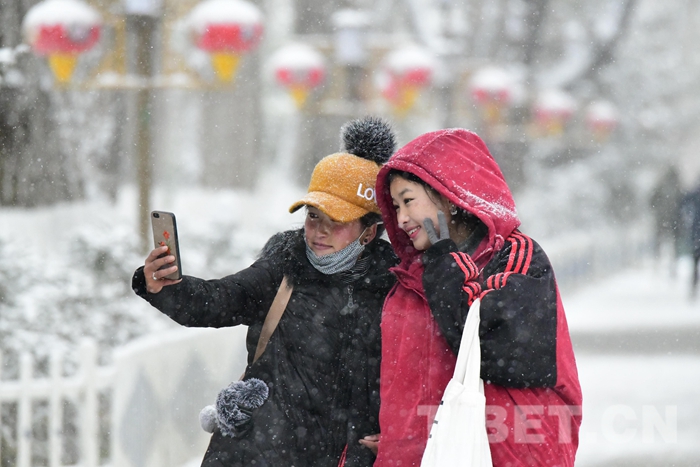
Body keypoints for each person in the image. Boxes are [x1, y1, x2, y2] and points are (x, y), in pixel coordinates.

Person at [131, 117, 398, 466]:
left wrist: (396, 434)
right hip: (258, 450)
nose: (320, 230)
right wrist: (165, 286)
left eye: (338, 220)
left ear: (369, 230)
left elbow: (412, 376)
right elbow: (220, 300)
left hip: (344, 456)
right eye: (314, 216)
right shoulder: (284, 267)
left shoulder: (394, 290)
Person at [369, 128, 583, 466]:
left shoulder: (518, 257)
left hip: (509, 453)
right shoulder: (410, 278)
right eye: (394, 207)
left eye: (408, 201)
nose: (401, 218)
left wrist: (444, 259)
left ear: (448, 194)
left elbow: (484, 340)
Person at [649, 166, 683, 268]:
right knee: (671, 243)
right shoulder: (677, 188)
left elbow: (652, 201)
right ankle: (667, 262)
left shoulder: (663, 187)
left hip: (665, 219)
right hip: (671, 220)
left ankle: (660, 261)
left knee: (663, 242)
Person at [681, 178, 700, 298]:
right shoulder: (693, 195)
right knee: (694, 264)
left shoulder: (693, 195)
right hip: (696, 236)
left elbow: (684, 208)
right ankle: (693, 288)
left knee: (695, 264)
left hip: (696, 236)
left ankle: (693, 288)